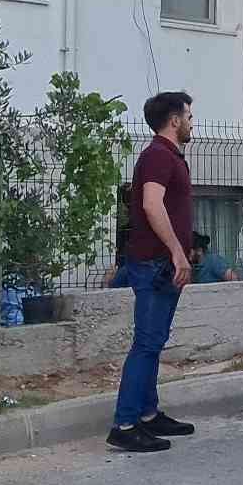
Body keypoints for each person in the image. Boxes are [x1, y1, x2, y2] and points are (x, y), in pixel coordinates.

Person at [107, 92, 198, 454]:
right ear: (174, 120)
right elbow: (151, 204)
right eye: (189, 116)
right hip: (155, 264)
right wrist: (176, 252)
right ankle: (125, 425)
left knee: (154, 341)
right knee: (146, 344)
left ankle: (147, 413)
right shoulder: (159, 156)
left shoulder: (167, 155)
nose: (192, 122)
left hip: (160, 264)